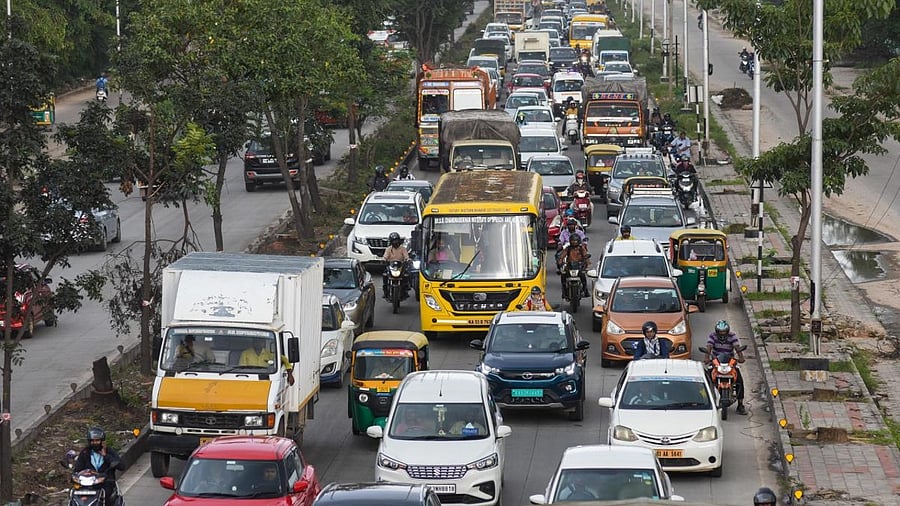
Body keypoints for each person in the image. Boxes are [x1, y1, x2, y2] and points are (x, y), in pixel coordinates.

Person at [73, 427, 124, 505]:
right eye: (92, 441)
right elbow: (77, 468)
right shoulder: (85, 452)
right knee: (74, 495)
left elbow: (121, 466)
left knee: (105, 495)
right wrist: (75, 476)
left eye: (97, 440)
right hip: (88, 484)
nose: (95, 443)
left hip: (106, 483)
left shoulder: (109, 451)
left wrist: (105, 456)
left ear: (102, 441)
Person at [706, 320, 747, 415]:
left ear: (727, 331)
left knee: (739, 381)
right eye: (720, 332)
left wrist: (741, 357)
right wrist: (707, 357)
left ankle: (740, 404)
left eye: (724, 332)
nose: (722, 334)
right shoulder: (712, 336)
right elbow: (709, 346)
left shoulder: (732, 336)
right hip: (716, 361)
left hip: (729, 361)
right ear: (716, 331)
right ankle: (706, 400)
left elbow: (737, 347)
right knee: (707, 378)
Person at [557, 234, 590, 299]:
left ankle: (585, 291)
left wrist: (587, 264)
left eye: (575, 241)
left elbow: (586, 256)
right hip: (570, 266)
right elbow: (562, 256)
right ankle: (564, 292)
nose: (574, 242)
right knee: (563, 276)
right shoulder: (568, 249)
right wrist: (560, 262)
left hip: (579, 266)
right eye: (572, 241)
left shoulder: (581, 248)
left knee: (583, 277)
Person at [382, 232, 410, 298]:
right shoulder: (388, 249)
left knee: (406, 275)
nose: (395, 242)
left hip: (400, 266)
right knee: (385, 275)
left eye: (396, 240)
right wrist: (384, 260)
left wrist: (408, 260)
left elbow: (406, 257)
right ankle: (385, 291)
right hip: (391, 266)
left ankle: (405, 289)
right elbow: (385, 257)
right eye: (394, 241)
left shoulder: (403, 249)